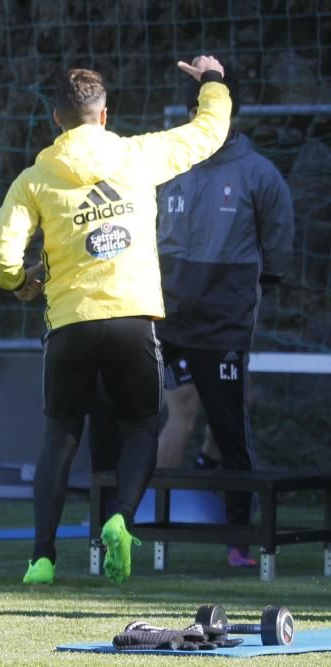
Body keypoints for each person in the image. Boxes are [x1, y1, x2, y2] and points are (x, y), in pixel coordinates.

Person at [0, 56, 231, 585]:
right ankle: (121, 516)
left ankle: (42, 558)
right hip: (132, 318)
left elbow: (2, 255)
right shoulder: (138, 155)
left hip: (70, 324)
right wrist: (212, 82)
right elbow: (207, 133)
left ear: (56, 119)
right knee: (142, 425)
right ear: (104, 115)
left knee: (60, 438)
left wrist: (18, 283)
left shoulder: (35, 178)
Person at [154, 69, 294, 567]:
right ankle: (155, 527)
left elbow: (279, 250)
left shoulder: (258, 174)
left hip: (222, 323)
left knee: (231, 421)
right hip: (164, 318)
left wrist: (252, 289)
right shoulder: (165, 166)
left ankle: (238, 537)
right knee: (175, 413)